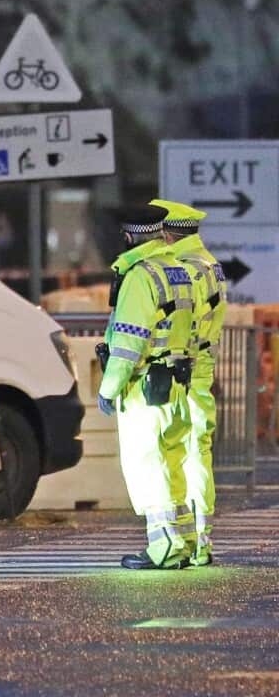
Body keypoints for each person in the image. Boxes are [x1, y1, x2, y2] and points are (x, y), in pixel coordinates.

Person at [95, 203, 196, 569]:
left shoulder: (140, 276)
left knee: (147, 467)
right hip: (175, 383)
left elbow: (128, 343)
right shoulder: (177, 270)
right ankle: (182, 542)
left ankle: (162, 548)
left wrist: (108, 388)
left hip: (145, 389)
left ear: (128, 236)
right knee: (171, 465)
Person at [157, 199, 226, 566]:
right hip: (203, 367)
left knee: (180, 452)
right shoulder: (210, 263)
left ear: (167, 234)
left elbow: (184, 321)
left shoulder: (184, 268)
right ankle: (202, 538)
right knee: (199, 450)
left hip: (185, 367)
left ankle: (188, 537)